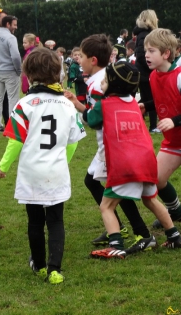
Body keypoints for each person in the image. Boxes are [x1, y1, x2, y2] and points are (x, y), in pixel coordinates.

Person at [0, 48, 86, 284]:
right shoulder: (68, 105)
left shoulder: (24, 104)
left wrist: (3, 166)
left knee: (35, 221)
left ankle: (39, 266)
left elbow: (15, 141)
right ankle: (55, 269)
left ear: (29, 74)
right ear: (57, 72)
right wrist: (61, 162)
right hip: (56, 172)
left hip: (31, 172)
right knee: (56, 220)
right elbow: (72, 143)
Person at [76, 61, 181, 259]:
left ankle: (115, 244)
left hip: (125, 164)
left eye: (105, 80)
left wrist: (77, 104)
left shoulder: (104, 105)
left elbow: (91, 120)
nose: (103, 83)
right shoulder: (134, 103)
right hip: (147, 160)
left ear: (113, 84)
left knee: (107, 206)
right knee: (150, 199)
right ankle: (174, 235)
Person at [65, 34, 154, 249]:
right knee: (97, 183)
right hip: (115, 142)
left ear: (93, 60)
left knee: (115, 189)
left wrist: (77, 106)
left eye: (82, 56)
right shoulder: (107, 75)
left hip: (112, 144)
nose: (79, 60)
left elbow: (98, 117)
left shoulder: (98, 84)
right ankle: (123, 227)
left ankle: (138, 232)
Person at [139, 28, 181, 229]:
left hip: (176, 131)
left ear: (166, 54)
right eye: (146, 50)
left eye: (152, 50)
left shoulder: (179, 75)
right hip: (174, 141)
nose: (146, 54)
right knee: (155, 179)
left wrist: (174, 120)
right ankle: (175, 211)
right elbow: (162, 101)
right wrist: (146, 106)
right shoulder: (153, 77)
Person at [0, 15, 21, 132]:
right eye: (14, 25)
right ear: (8, 24)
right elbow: (16, 56)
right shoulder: (10, 38)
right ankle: (12, 125)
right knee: (13, 98)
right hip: (10, 71)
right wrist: (18, 69)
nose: (16, 27)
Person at [134, 10, 159, 133]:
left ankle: (134, 119)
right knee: (151, 99)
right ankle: (153, 126)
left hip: (143, 72)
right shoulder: (144, 35)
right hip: (145, 73)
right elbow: (140, 55)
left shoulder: (142, 34)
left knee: (145, 99)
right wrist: (152, 66)